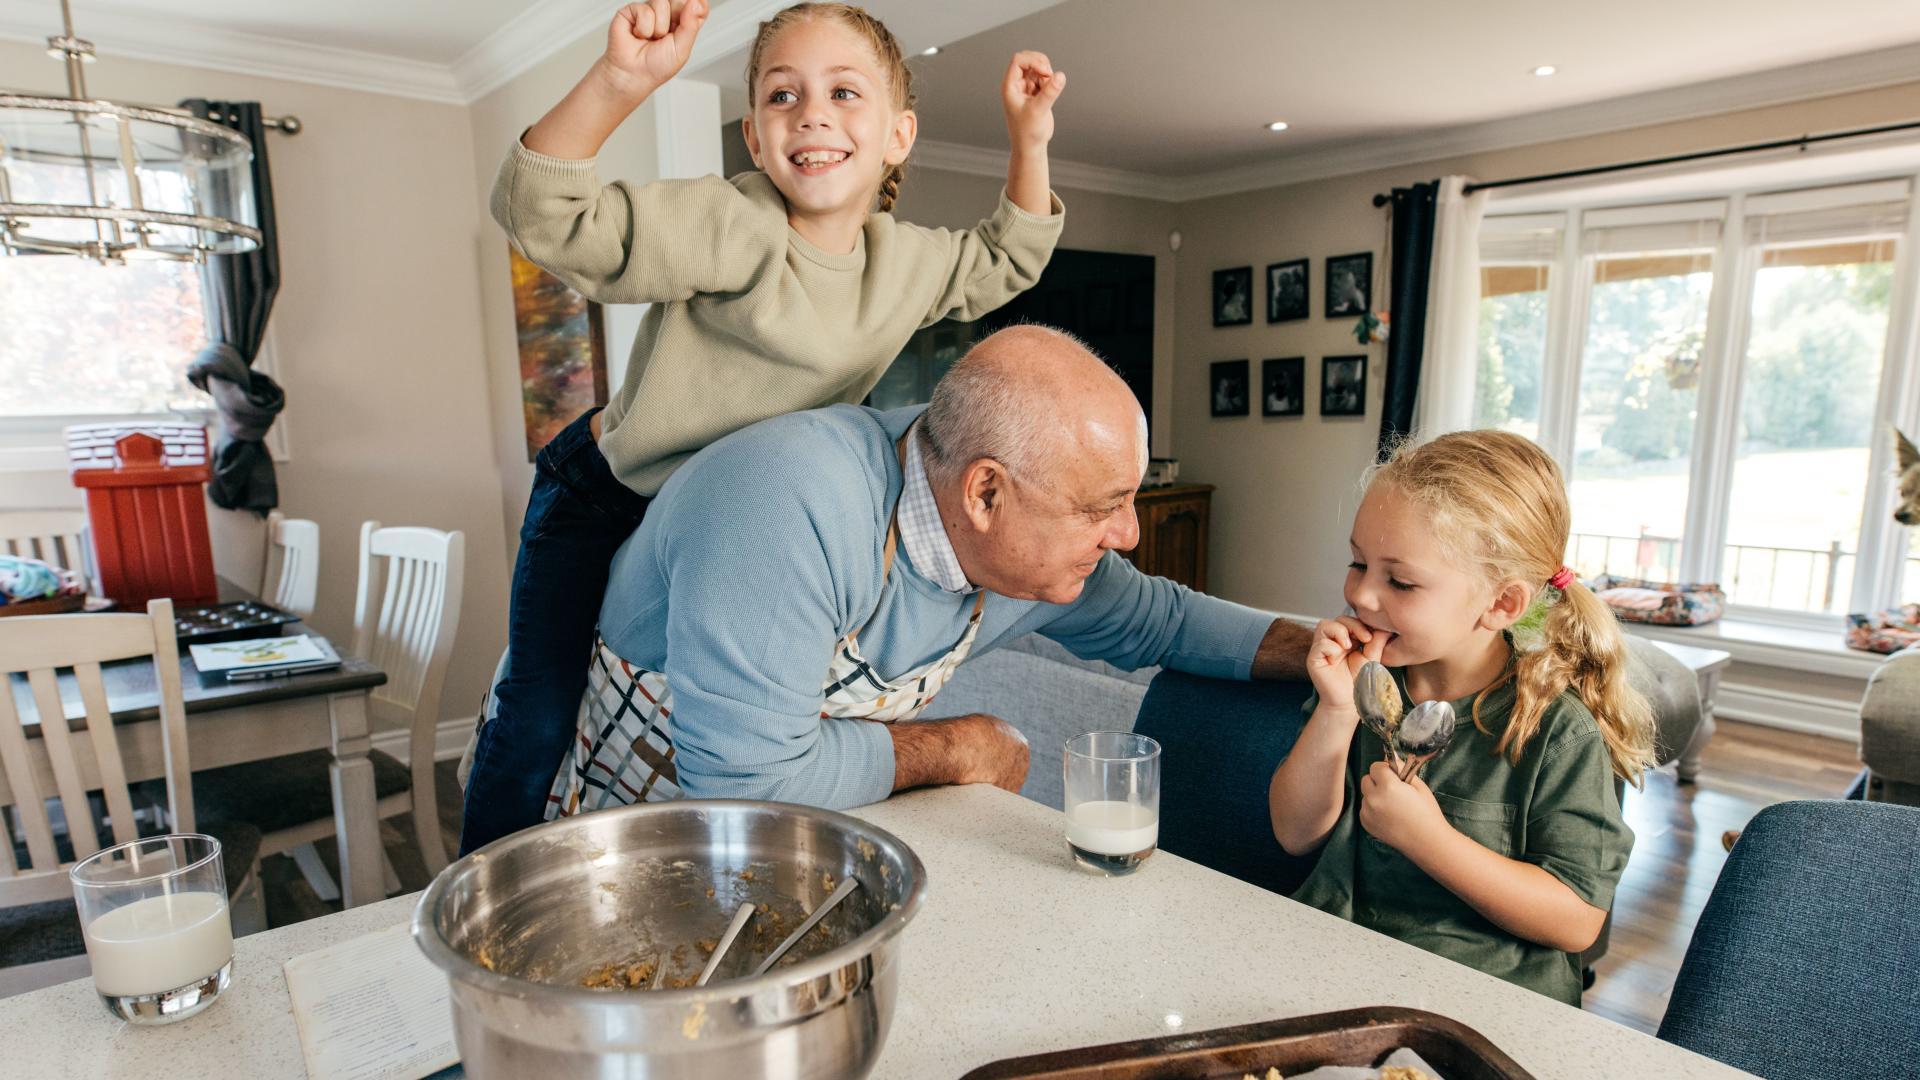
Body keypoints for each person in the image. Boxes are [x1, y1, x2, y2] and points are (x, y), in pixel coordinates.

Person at [463, 1, 1069, 851]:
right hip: (608, 498)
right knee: (537, 711)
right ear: (754, 138)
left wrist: (1029, 138)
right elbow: (545, 214)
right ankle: (482, 898)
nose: (812, 112)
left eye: (844, 92)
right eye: (783, 96)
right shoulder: (728, 224)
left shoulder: (907, 264)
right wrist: (621, 81)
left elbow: (1010, 257)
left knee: (736, 720)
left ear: (898, 136)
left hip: (741, 530)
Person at [491, 325, 1315, 820]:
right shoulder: (785, 500)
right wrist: (961, 747)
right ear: (985, 492)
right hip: (620, 820)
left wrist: (1334, 648)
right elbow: (747, 786)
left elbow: (1162, 621)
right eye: (1104, 507)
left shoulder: (1024, 550)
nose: (1129, 534)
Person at [1268, 430, 1656, 1005]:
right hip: (1339, 970)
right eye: (1358, 563)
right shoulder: (1367, 682)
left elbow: (1576, 920)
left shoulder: (1554, 730)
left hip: (1483, 1002)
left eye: (1400, 580)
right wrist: (1336, 709)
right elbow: (1295, 834)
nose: (1362, 596)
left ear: (1501, 604)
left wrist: (1428, 840)